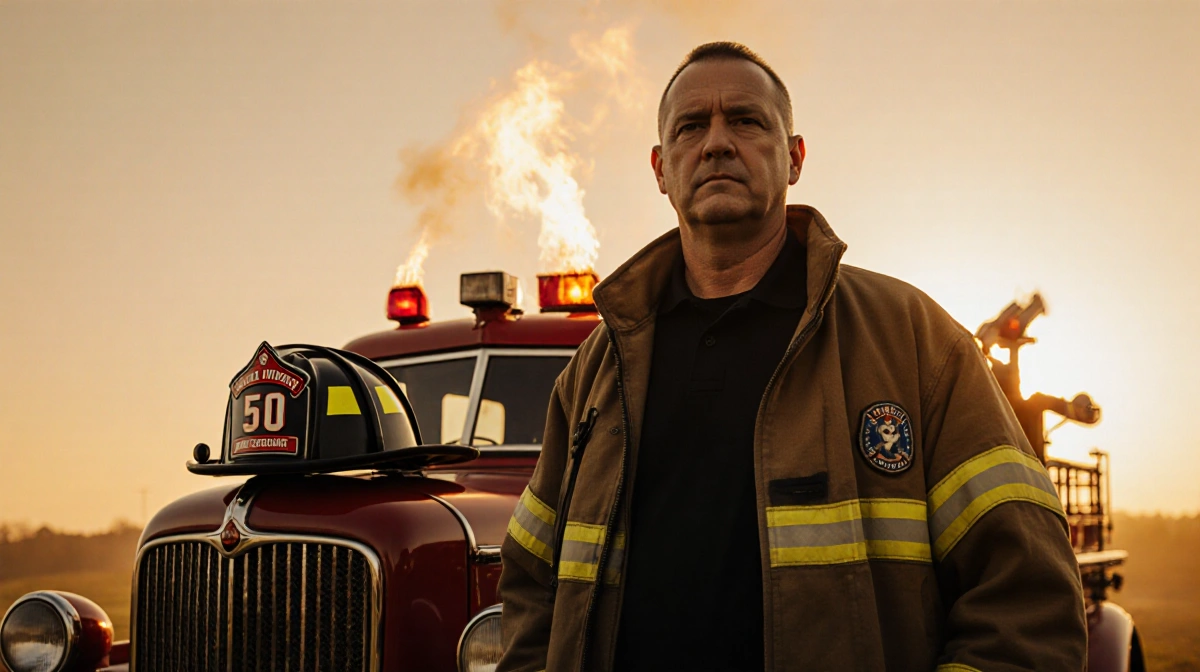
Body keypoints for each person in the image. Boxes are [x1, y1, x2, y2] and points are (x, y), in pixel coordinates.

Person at [497, 41, 1087, 672]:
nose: (717, 143)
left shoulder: (914, 340)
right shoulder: (594, 370)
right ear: (661, 168)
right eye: (691, 126)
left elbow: (1028, 604)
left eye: (747, 121)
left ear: (795, 157)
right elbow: (532, 586)